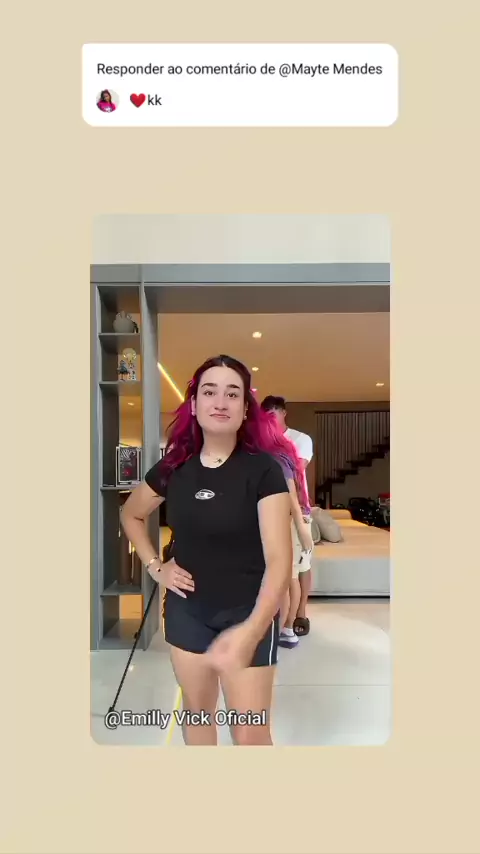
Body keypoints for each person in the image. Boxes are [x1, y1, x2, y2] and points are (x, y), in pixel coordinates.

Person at [120, 355, 307, 747]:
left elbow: (279, 561)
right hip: (188, 612)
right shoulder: (174, 467)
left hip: (249, 611)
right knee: (197, 716)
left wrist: (250, 633)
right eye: (209, 392)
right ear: (194, 405)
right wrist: (155, 567)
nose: (220, 402)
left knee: (251, 732)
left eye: (232, 393)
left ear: (245, 409)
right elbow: (130, 514)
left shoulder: (264, 470)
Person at [261, 395, 314, 640]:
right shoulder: (267, 446)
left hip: (295, 511)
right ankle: (286, 627)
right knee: (286, 572)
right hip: (275, 513)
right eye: (266, 416)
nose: (270, 419)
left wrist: (301, 523)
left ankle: (294, 620)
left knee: (296, 570)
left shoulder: (297, 441)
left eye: (274, 413)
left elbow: (292, 479)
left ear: (284, 413)